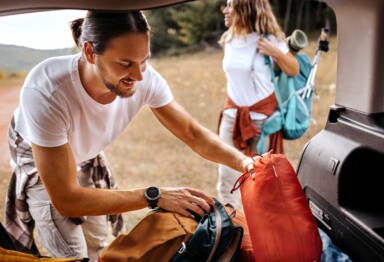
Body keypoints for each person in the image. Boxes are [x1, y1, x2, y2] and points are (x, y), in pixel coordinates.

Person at [4, 11, 254, 261]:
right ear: (90, 52)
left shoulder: (144, 79)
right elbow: (67, 199)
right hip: (41, 161)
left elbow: (192, 133)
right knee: (73, 254)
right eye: (125, 64)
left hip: (84, 156)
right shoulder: (47, 89)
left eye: (144, 60)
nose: (139, 76)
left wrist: (246, 164)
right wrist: (155, 196)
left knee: (99, 244)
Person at [216, 0, 299, 209]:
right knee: (227, 178)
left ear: (245, 10)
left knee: (262, 180)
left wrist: (276, 53)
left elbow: (294, 70)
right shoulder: (230, 38)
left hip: (262, 122)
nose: (225, 10)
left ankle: (263, 232)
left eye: (229, 6)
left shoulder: (269, 40)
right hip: (231, 117)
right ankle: (232, 231)